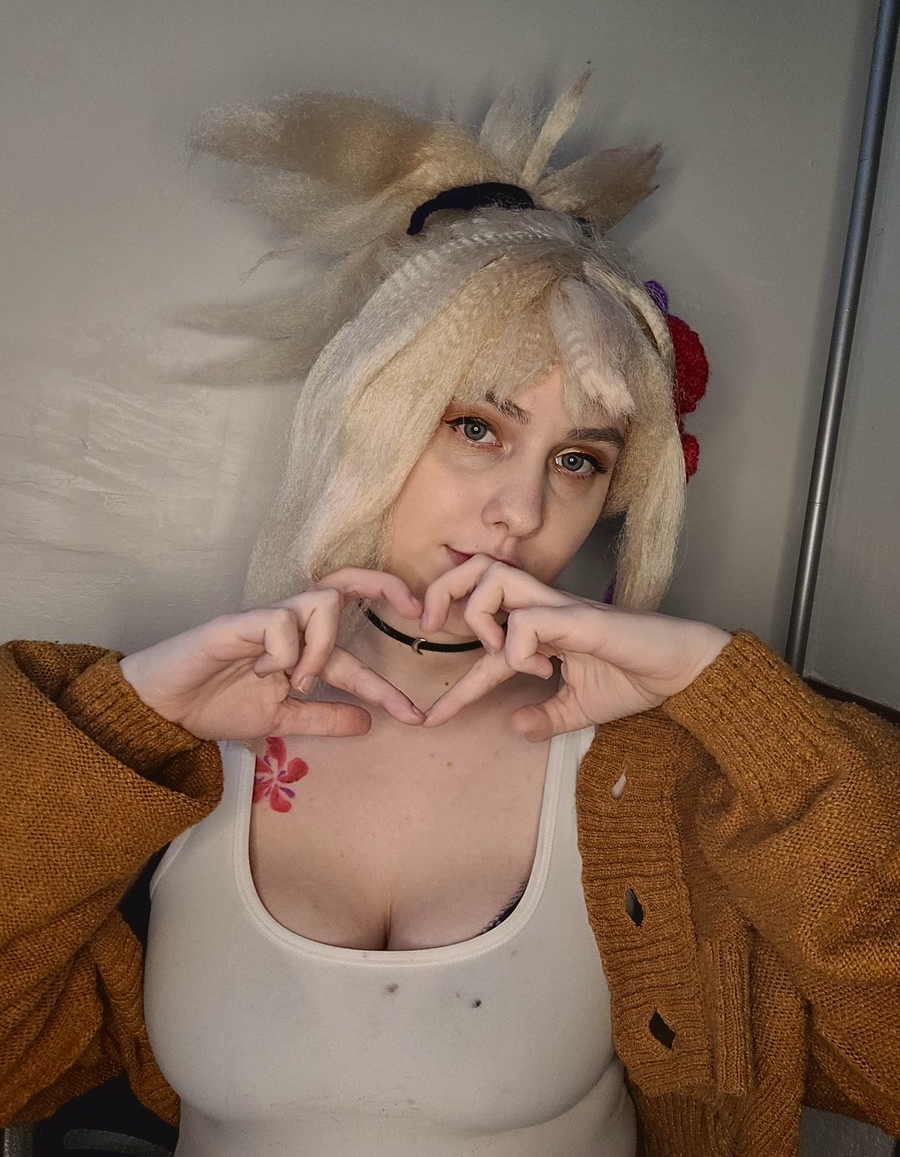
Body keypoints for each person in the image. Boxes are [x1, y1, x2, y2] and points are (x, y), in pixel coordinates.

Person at [1, 76, 898, 1157]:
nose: (522, 510)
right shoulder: (173, 745)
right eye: (477, 427)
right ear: (365, 414)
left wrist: (734, 702)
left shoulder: (667, 774)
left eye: (578, 461)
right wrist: (121, 724)